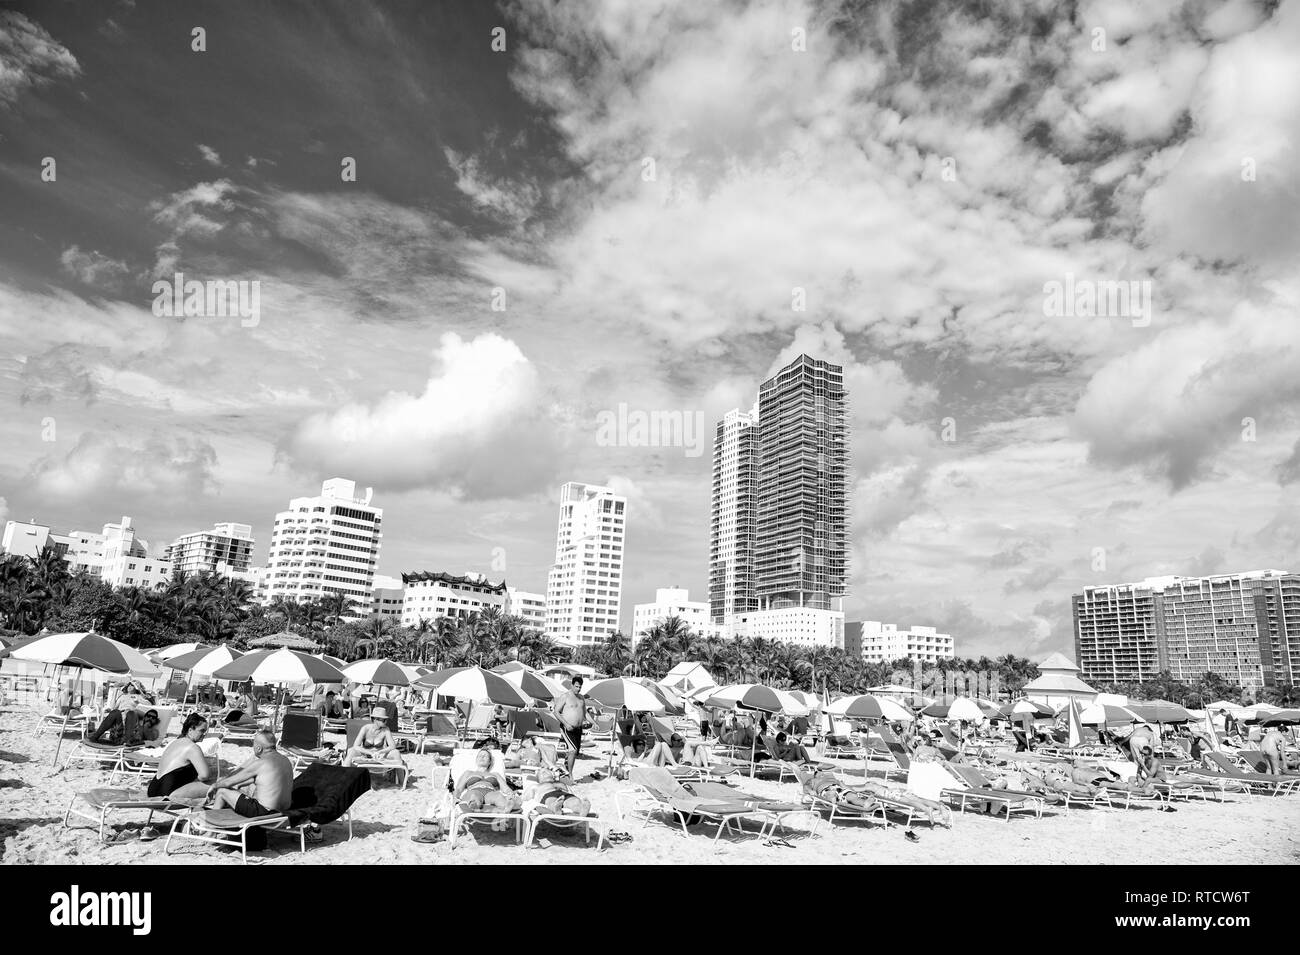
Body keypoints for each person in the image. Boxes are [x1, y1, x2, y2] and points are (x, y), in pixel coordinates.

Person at [206, 730, 293, 818]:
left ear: (259, 748)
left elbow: (229, 782)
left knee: (222, 792)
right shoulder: (286, 760)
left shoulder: (261, 763)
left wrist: (214, 786)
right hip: (284, 811)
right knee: (236, 792)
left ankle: (210, 827)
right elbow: (260, 779)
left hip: (265, 812)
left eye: (253, 745)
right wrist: (239, 785)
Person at [148, 714, 213, 798]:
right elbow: (204, 775)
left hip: (153, 788)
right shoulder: (192, 747)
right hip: (168, 792)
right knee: (218, 785)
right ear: (190, 730)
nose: (204, 735)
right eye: (201, 731)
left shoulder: (174, 743)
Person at [454, 748, 520, 825]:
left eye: (485, 756)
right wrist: (455, 797)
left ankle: (506, 808)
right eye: (480, 756)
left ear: (489, 762)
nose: (482, 757)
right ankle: (474, 805)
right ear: (476, 760)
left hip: (490, 792)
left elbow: (506, 788)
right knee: (474, 795)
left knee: (498, 796)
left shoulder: (495, 774)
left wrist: (510, 794)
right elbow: (458, 788)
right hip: (474, 789)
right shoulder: (468, 773)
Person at [555, 676, 586, 778]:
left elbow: (585, 714)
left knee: (574, 752)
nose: (578, 689)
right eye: (576, 686)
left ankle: (564, 769)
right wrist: (566, 724)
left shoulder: (581, 698)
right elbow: (556, 712)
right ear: (572, 685)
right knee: (572, 750)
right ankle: (570, 775)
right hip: (567, 727)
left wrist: (594, 722)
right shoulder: (565, 696)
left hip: (578, 728)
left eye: (580, 687)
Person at [524, 768, 590, 816]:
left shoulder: (559, 783)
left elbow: (568, 791)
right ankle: (556, 808)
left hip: (563, 794)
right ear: (539, 780)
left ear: (553, 776)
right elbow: (526, 797)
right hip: (547, 794)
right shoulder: (536, 786)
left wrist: (573, 796)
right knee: (551, 800)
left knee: (574, 801)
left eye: (547, 771)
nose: (544, 772)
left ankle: (581, 809)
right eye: (542, 773)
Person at [88, 707, 161, 746]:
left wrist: (146, 726)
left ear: (155, 720)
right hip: (118, 737)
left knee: (131, 713)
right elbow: (135, 711)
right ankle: (95, 737)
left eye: (153, 718)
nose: (151, 718)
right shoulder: (137, 721)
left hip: (131, 742)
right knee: (116, 712)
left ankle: (128, 740)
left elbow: (150, 739)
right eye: (149, 716)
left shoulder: (154, 731)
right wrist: (145, 716)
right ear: (145, 717)